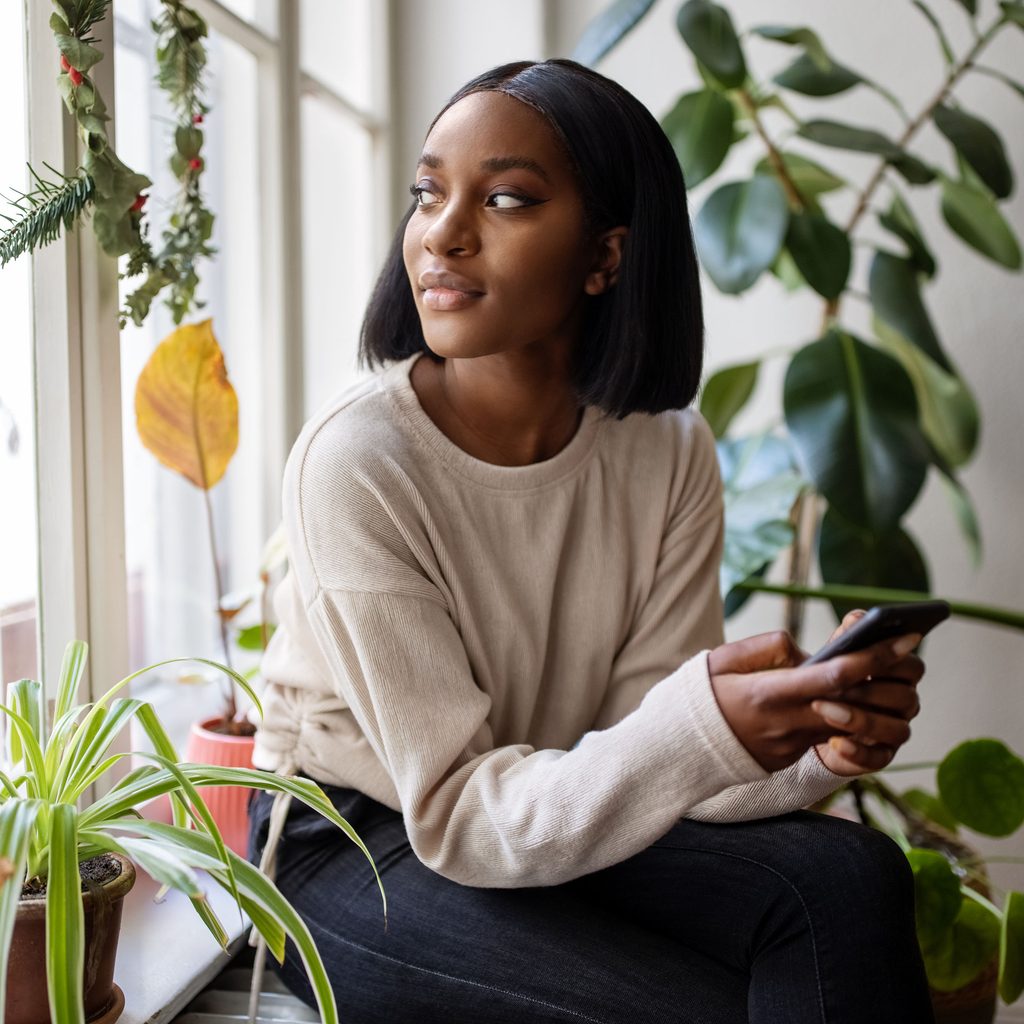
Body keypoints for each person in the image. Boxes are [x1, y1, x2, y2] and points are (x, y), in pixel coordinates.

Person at [247, 58, 935, 1023]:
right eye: (428, 192)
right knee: (694, 1005)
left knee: (853, 876)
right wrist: (697, 728)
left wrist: (816, 741)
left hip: (547, 804)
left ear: (606, 257)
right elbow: (458, 813)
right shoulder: (356, 460)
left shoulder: (667, 451)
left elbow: (645, 760)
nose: (441, 234)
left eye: (506, 199)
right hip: (356, 843)